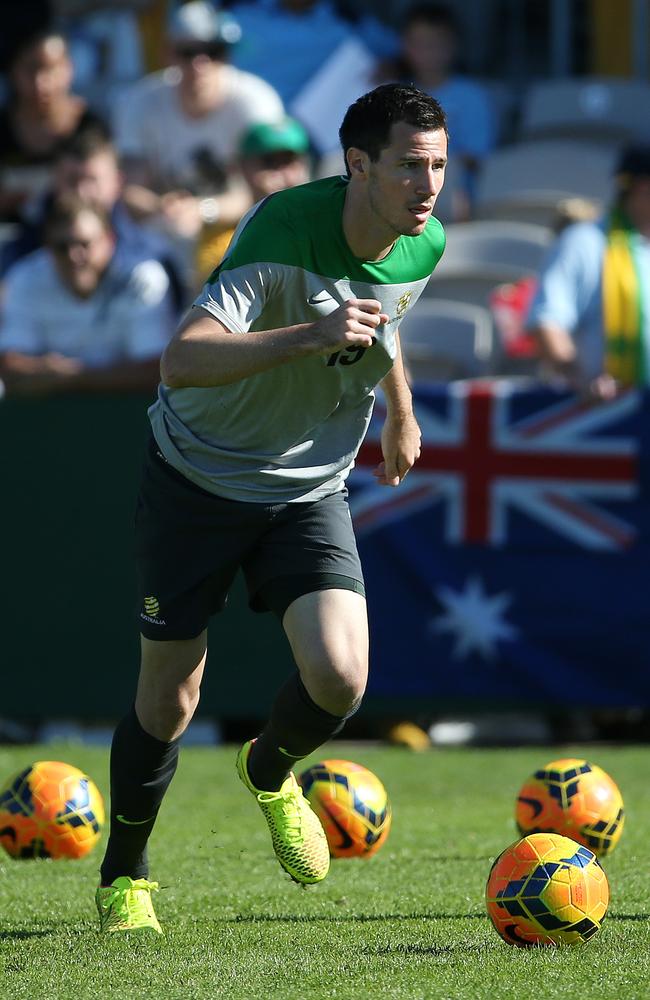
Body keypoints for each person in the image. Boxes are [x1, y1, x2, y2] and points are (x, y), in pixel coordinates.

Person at [95, 82, 447, 935]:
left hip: (306, 488)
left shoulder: (423, 241)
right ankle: (123, 876)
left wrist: (400, 408)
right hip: (197, 479)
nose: (428, 187)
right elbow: (182, 360)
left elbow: (385, 320)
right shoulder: (281, 231)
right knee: (170, 702)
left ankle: (268, 767)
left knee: (342, 676)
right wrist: (309, 335)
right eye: (408, 166)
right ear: (358, 165)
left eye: (438, 165)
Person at [112, 1, 284, 248]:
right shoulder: (140, 103)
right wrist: (166, 207)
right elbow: (132, 189)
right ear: (167, 54)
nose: (200, 65)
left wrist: (202, 210)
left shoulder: (255, 102)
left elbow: (266, 188)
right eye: (187, 52)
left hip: (245, 226)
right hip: (164, 228)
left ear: (226, 55)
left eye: (213, 52)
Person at [0, 194, 174, 397]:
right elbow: (9, 362)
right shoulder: (24, 277)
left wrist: (73, 376)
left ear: (109, 240)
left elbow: (157, 371)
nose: (74, 256)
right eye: (61, 247)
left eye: (84, 244)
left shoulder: (144, 277)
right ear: (47, 246)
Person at [0, 126, 187, 308]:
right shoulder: (20, 253)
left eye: (92, 181)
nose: (82, 193)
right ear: (55, 180)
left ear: (117, 182)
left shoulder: (152, 257)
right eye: (72, 180)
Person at [526, 145, 650, 400]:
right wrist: (577, 375)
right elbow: (546, 322)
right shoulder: (585, 242)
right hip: (605, 417)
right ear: (642, 188)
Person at [391, 3, 495, 212]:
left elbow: (476, 158)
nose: (428, 51)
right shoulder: (391, 95)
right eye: (418, 43)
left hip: (457, 199)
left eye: (436, 43)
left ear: (453, 45)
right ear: (404, 46)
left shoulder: (472, 96)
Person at [0, 28, 105, 222]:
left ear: (69, 68)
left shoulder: (91, 126)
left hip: (74, 236)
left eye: (49, 68)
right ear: (13, 73)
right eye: (30, 70)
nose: (41, 83)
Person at [195, 115, 311, 284]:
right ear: (241, 166)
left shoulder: (322, 218)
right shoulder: (223, 231)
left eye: (288, 161)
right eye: (268, 162)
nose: (279, 173)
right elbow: (215, 286)